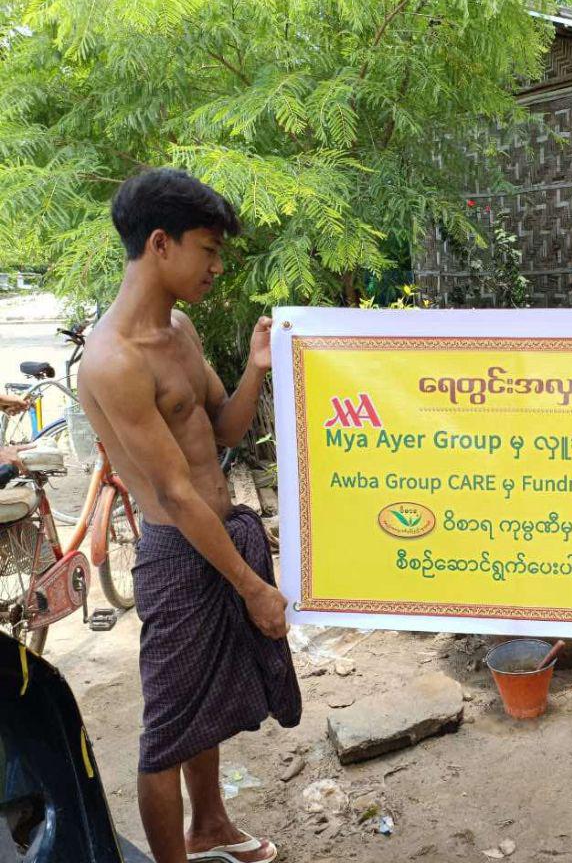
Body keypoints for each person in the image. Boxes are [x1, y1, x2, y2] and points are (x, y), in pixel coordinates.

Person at [78, 168, 301, 863]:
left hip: (224, 532)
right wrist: (252, 586)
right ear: (159, 243)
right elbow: (174, 495)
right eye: (207, 248)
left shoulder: (180, 329)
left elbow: (224, 432)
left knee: (211, 701)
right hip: (180, 555)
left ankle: (210, 828)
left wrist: (258, 367)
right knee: (168, 729)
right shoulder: (112, 361)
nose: (215, 265)